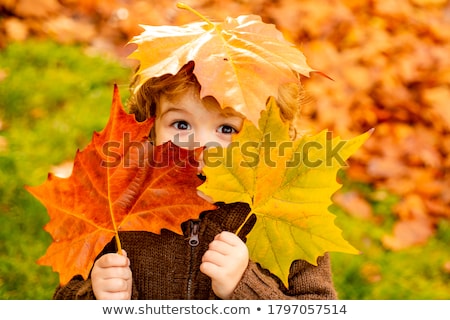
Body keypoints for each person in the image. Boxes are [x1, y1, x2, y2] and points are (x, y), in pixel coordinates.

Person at [53, 18, 338, 300]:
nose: (199, 145)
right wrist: (96, 296)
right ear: (149, 127)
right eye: (180, 124)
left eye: (226, 129)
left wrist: (245, 285)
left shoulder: (285, 214)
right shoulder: (117, 206)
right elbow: (62, 298)